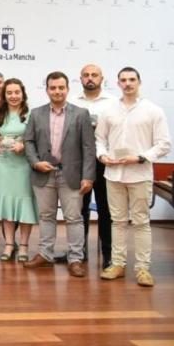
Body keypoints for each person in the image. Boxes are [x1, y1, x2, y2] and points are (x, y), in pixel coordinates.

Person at [97, 67, 171, 287]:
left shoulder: (153, 110)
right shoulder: (108, 110)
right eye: (123, 80)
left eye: (131, 79)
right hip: (113, 174)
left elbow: (164, 144)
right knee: (117, 222)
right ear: (118, 83)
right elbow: (99, 139)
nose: (127, 83)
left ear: (139, 82)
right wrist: (102, 155)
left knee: (141, 222)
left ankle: (142, 269)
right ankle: (118, 264)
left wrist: (140, 157)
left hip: (139, 174)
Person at [23, 72, 96, 278]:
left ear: (67, 89)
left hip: (71, 175)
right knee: (46, 216)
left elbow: (88, 148)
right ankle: (45, 255)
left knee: (74, 218)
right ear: (47, 90)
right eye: (53, 88)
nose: (57, 91)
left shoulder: (81, 114)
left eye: (61, 87)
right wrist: (36, 162)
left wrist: (88, 176)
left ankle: (75, 259)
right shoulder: (36, 114)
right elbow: (28, 142)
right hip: (43, 174)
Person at [72, 63, 115, 268]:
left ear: (101, 78)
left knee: (106, 210)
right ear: (80, 79)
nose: (90, 78)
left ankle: (108, 255)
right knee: (80, 211)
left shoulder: (114, 102)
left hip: (104, 163)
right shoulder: (72, 102)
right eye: (86, 75)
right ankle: (79, 253)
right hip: (79, 163)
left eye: (94, 75)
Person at [0, 78, 38, 261]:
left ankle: (24, 246)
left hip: (23, 164)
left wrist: (24, 145)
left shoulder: (31, 114)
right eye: (9, 93)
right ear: (4, 95)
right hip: (4, 163)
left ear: (23, 93)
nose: (13, 96)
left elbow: (35, 139)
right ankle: (9, 244)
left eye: (17, 92)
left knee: (24, 203)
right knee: (7, 204)